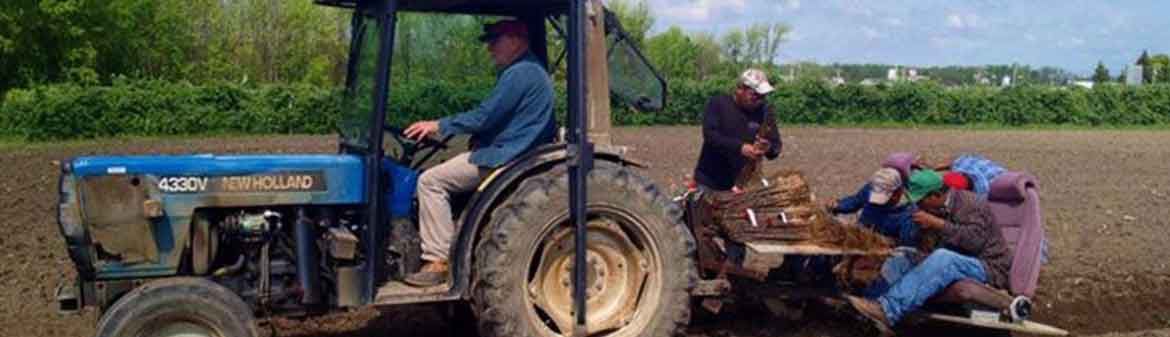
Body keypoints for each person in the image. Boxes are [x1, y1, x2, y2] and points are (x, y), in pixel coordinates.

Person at [400, 20, 556, 287]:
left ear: (516, 39)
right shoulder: (527, 71)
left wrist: (438, 125)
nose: (490, 49)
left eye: (495, 41)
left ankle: (438, 259)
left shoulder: (521, 73)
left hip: (506, 155)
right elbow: (500, 119)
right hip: (508, 148)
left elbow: (485, 116)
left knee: (429, 182)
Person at [846, 170, 1013, 335]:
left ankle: (887, 310)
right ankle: (870, 307)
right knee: (902, 255)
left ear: (935, 195)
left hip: (987, 265)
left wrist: (938, 224)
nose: (917, 205)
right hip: (958, 258)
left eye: (921, 201)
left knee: (943, 258)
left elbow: (975, 242)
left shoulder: (972, 205)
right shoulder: (937, 207)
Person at [692, 69, 782, 193]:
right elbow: (710, 135)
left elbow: (776, 146)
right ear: (740, 89)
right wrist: (740, 148)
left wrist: (768, 147)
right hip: (710, 182)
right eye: (755, 95)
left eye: (763, 96)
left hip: (745, 185)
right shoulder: (718, 104)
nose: (760, 99)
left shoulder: (765, 111)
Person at [827, 167, 919, 247]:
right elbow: (853, 202)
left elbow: (854, 201)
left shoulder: (908, 214)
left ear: (899, 191)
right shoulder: (870, 189)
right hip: (865, 236)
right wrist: (836, 206)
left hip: (870, 233)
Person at [935, 153, 1006, 199]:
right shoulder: (963, 164)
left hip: (1005, 178)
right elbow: (951, 164)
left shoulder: (984, 192)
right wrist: (934, 169)